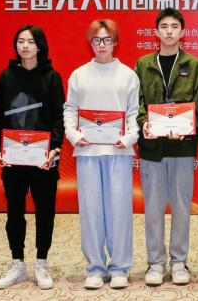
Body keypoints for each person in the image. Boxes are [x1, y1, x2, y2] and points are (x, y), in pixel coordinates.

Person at [63, 19, 140, 290]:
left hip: (118, 150)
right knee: (91, 210)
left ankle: (119, 267)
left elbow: (134, 112)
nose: (102, 45)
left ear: (115, 42)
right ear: (91, 43)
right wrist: (74, 135)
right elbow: (70, 109)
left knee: (119, 210)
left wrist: (128, 137)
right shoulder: (79, 75)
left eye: (107, 40)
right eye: (97, 40)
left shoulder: (128, 75)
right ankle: (95, 267)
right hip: (87, 151)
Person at [134, 7, 198, 286]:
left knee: (181, 207)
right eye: (164, 26)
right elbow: (137, 102)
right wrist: (144, 123)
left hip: (182, 148)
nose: (169, 31)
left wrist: (186, 127)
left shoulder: (194, 65)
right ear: (156, 32)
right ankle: (155, 262)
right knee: (153, 208)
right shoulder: (143, 64)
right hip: (151, 147)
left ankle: (178, 262)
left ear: (182, 32)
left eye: (174, 27)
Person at [0, 25, 65, 290]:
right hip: (13, 157)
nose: (25, 46)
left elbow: (59, 116)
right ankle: (17, 263)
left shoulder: (52, 77)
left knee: (45, 211)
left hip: (44, 159)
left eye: (31, 41)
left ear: (39, 46)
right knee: (14, 211)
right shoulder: (6, 77)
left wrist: (55, 148)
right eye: (21, 41)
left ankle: (42, 262)